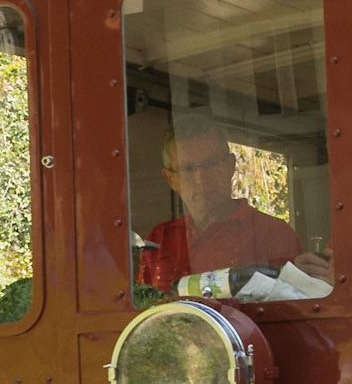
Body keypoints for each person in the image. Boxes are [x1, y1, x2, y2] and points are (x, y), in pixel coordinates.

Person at [136, 116, 330, 294]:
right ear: (171, 179)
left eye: (211, 164)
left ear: (231, 165)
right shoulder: (159, 239)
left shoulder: (273, 233)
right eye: (188, 169)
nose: (201, 179)